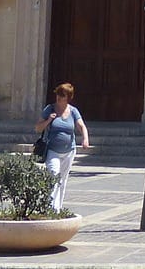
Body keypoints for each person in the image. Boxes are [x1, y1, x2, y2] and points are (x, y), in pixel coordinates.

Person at [34, 82, 90, 211]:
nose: (59, 97)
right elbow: (37, 128)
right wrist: (49, 120)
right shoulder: (50, 109)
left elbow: (81, 126)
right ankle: (50, 207)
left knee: (63, 180)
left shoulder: (73, 111)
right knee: (53, 174)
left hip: (69, 151)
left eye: (62, 95)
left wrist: (85, 139)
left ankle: (58, 208)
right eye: (58, 94)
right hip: (53, 150)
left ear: (68, 97)